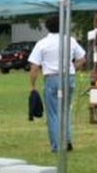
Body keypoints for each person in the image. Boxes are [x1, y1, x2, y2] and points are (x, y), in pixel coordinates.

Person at [28, 15, 85, 152]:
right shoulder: (70, 40)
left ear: (47, 27)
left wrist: (32, 85)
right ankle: (67, 139)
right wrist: (72, 68)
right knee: (65, 111)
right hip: (68, 77)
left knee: (53, 113)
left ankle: (57, 145)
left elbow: (34, 67)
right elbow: (82, 59)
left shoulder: (42, 43)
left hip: (52, 78)